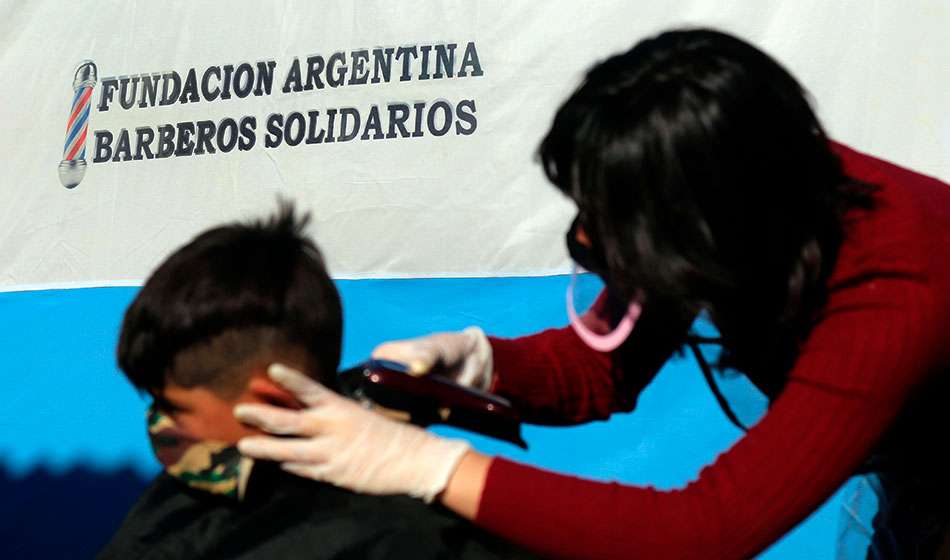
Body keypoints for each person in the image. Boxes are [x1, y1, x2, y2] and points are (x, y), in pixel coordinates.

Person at [233, 28, 950, 559]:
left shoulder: (896, 286)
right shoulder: (737, 189)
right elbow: (600, 365)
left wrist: (427, 467)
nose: (586, 239)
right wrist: (482, 367)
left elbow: (705, 532)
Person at [99, 205, 530, 559]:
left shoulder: (404, 540)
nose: (159, 425)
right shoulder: (188, 495)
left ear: (270, 402)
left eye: (174, 410)